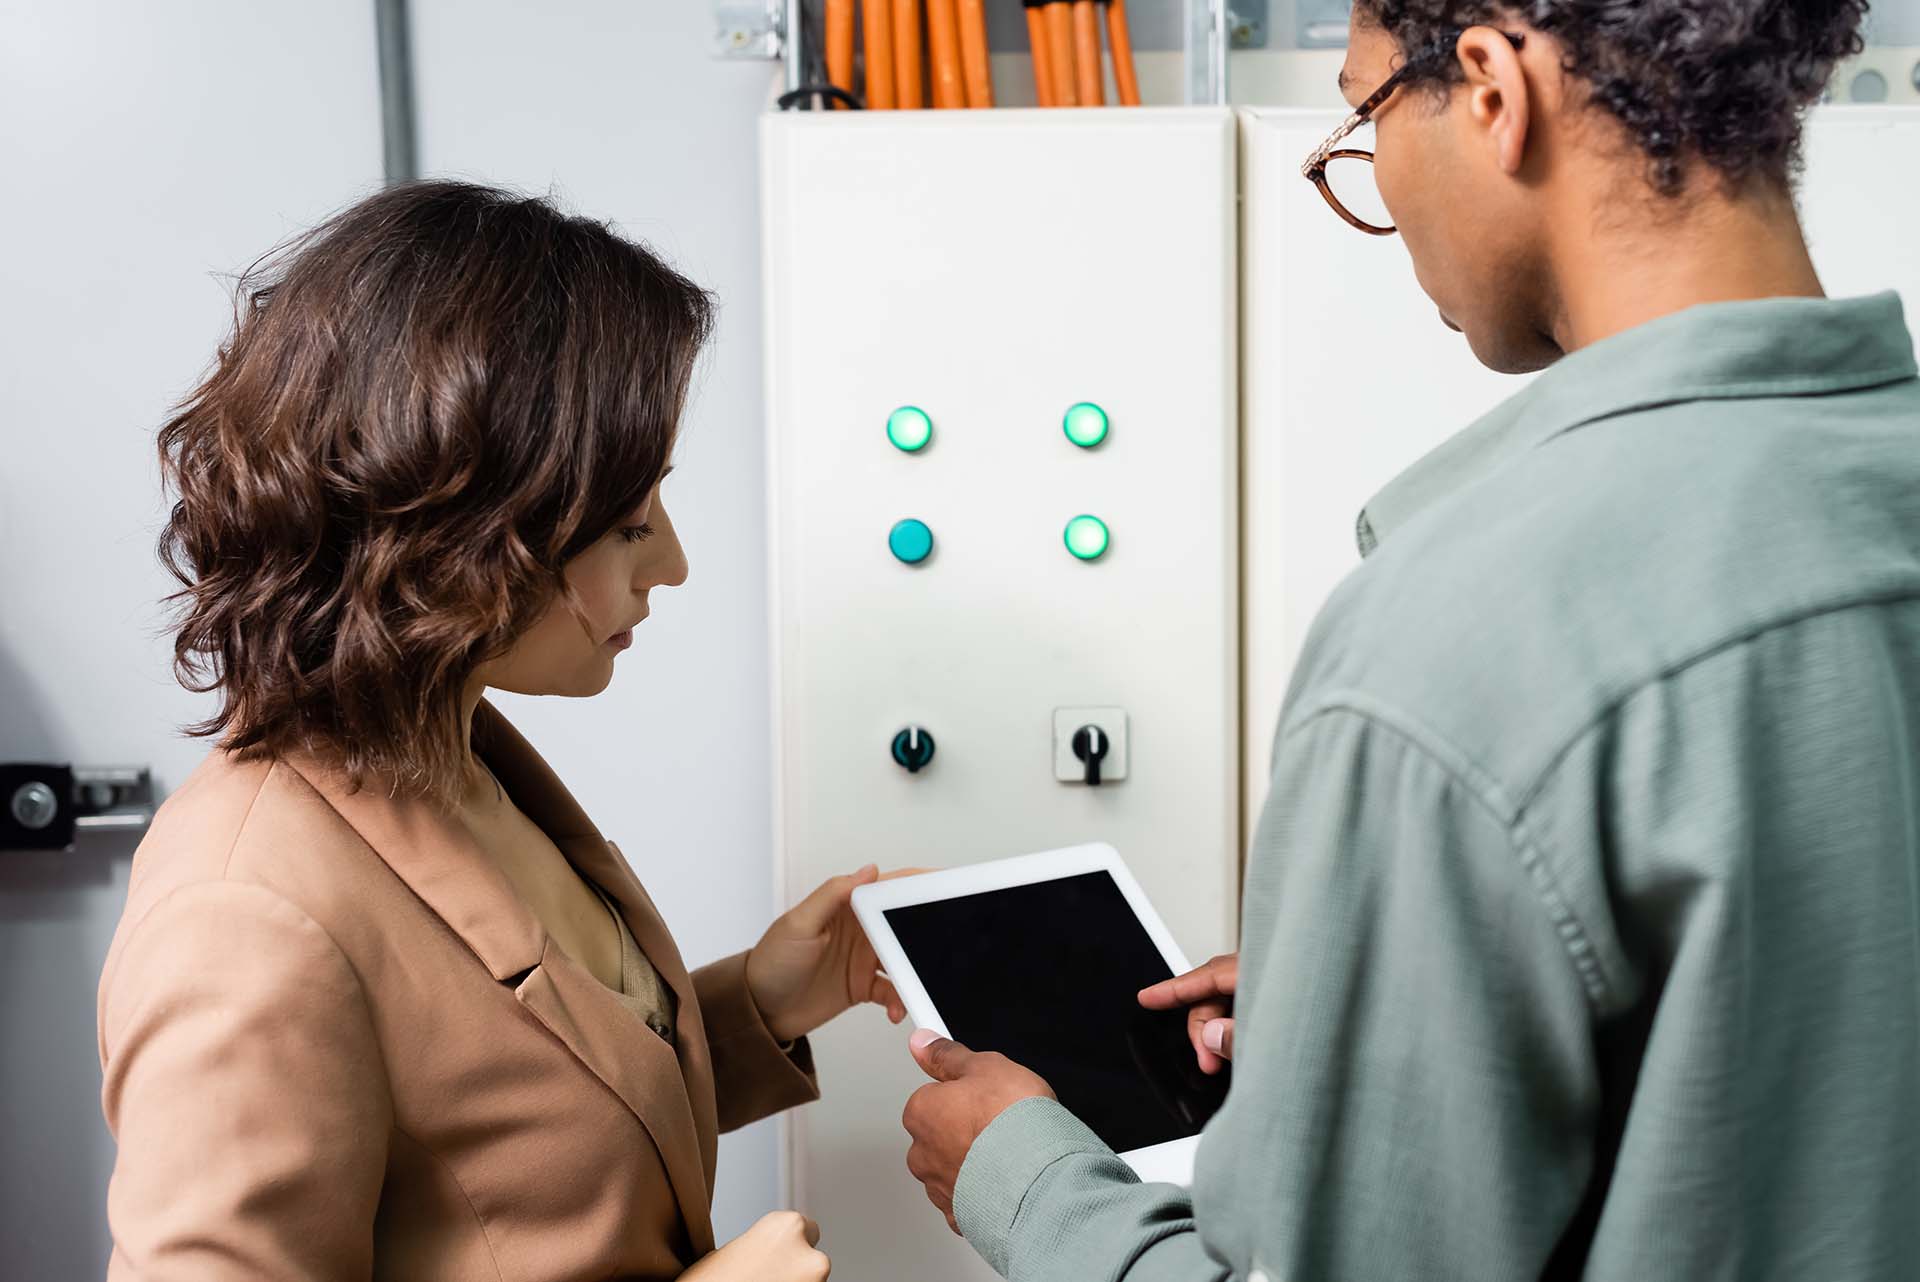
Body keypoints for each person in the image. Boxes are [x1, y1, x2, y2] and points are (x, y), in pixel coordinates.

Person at [900, 2, 1920, 1279]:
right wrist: (1418, 1011)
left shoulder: (1456, 647)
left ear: (1493, 89)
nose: (1368, 177)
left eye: (1364, 112)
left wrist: (1031, 1183)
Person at [97, 181, 897, 1281]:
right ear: (473, 531)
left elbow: (516, 1130)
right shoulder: (244, 916)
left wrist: (758, 1002)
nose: (672, 565)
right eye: (631, 523)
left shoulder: (451, 751)